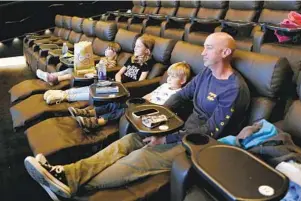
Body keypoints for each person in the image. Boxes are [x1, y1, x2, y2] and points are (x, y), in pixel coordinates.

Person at [24, 32, 251, 199]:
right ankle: (68, 173)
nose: (202, 52)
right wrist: (157, 117)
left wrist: (166, 138)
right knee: (127, 141)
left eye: (209, 48)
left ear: (225, 52)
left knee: (137, 158)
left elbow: (211, 132)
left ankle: (74, 184)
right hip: (181, 130)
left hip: (200, 146)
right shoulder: (206, 74)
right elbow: (181, 96)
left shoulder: (234, 89)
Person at [68, 62, 191, 129]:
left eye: (173, 77)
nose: (169, 79)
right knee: (115, 104)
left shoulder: (178, 94)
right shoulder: (164, 86)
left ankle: (97, 122)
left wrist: (146, 104)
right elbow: (151, 93)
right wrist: (143, 99)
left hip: (151, 111)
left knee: (122, 111)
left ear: (183, 80)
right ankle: (90, 112)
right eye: (169, 76)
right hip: (143, 103)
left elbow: (165, 109)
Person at [44, 35, 156, 105]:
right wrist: (118, 81)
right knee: (92, 88)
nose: (135, 48)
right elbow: (119, 73)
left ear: (147, 50)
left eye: (139, 46)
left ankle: (63, 97)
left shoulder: (147, 64)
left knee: (95, 92)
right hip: (115, 82)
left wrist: (121, 86)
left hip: (123, 89)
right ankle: (63, 92)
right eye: (135, 46)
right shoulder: (131, 59)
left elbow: (140, 82)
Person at [36, 42, 121, 86]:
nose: (106, 50)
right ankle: (51, 75)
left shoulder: (112, 63)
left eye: (109, 49)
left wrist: (101, 65)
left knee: (71, 75)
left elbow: (106, 72)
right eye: (106, 48)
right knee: (70, 69)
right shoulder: (103, 58)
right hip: (90, 69)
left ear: (114, 53)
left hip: (94, 75)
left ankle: (54, 79)